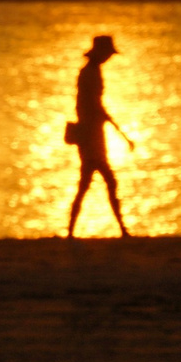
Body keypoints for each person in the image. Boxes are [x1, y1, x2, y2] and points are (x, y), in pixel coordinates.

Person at [66, 33, 131, 239]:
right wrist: (119, 131)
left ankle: (72, 232)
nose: (109, 57)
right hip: (91, 136)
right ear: (101, 53)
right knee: (101, 181)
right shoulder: (90, 73)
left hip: (93, 134)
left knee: (90, 183)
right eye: (108, 53)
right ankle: (122, 230)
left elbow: (89, 104)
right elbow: (93, 104)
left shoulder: (91, 72)